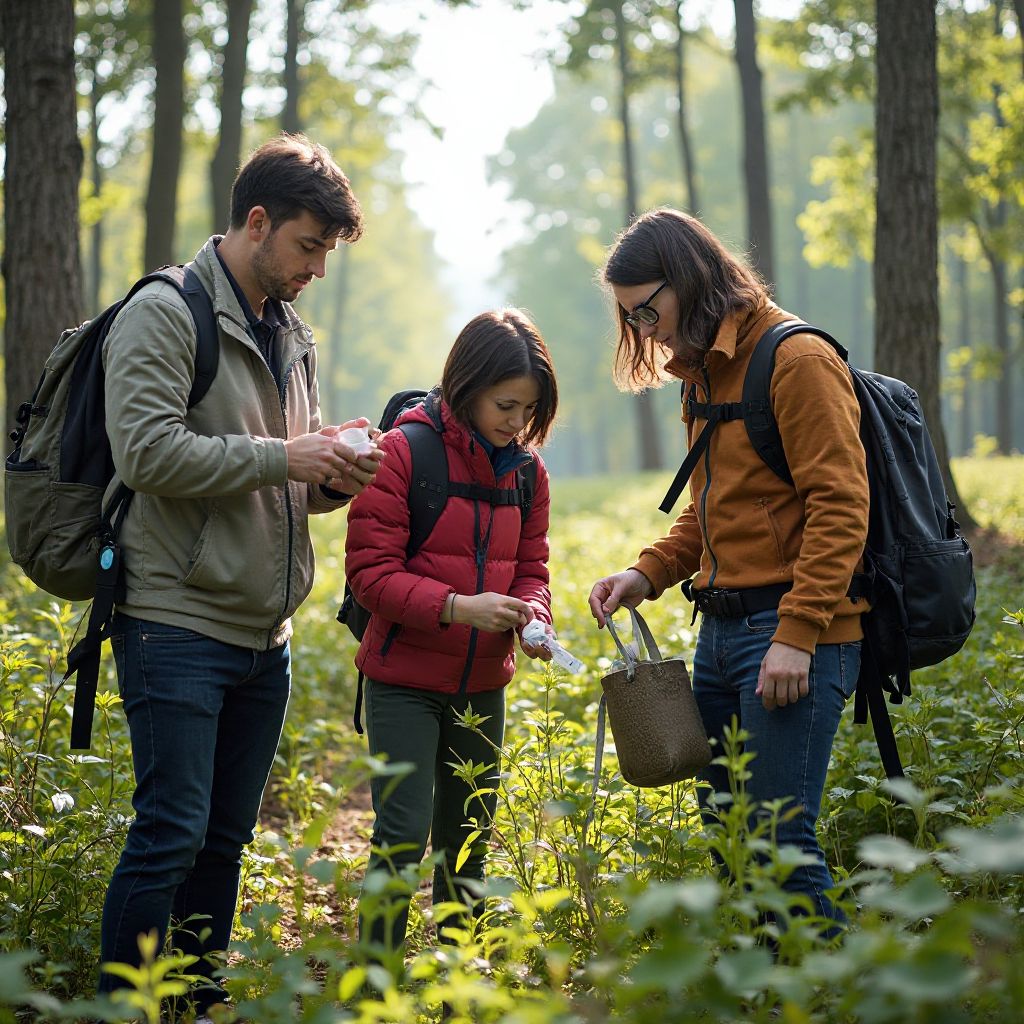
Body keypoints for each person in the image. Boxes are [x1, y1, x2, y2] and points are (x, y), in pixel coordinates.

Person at [97, 134, 383, 1017]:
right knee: (170, 835)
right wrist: (284, 455)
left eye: (327, 253)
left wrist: (333, 470)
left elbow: (279, 475)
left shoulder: (291, 330)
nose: (316, 270)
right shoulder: (166, 310)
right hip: (175, 622)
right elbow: (145, 452)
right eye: (307, 246)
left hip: (268, 634)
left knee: (224, 841)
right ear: (257, 223)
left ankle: (196, 998)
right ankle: (129, 1008)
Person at [588, 208, 869, 933]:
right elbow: (711, 509)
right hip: (718, 638)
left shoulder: (797, 359)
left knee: (780, 841)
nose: (644, 330)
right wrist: (645, 575)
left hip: (791, 636)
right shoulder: (701, 373)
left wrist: (799, 634)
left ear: (689, 279)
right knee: (729, 834)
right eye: (630, 318)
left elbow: (841, 508)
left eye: (648, 309)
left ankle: (833, 991)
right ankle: (763, 984)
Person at [344, 308, 559, 958]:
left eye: (528, 410)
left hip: (481, 688)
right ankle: (376, 972)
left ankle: (458, 969)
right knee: (403, 833)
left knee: (469, 834)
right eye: (505, 404)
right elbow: (369, 576)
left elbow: (533, 568)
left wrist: (534, 616)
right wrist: (461, 608)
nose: (516, 422)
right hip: (403, 684)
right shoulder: (404, 453)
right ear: (465, 384)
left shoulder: (527, 473)